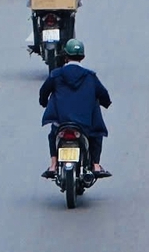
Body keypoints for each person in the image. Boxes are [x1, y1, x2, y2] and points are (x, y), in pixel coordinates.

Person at [39, 40, 111, 178]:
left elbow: (44, 92)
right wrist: (105, 102)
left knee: (53, 135)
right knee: (97, 135)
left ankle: (53, 164)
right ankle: (96, 165)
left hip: (61, 123)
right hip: (85, 125)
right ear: (82, 57)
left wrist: (44, 103)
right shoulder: (90, 77)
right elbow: (104, 96)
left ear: (65, 56)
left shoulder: (56, 74)